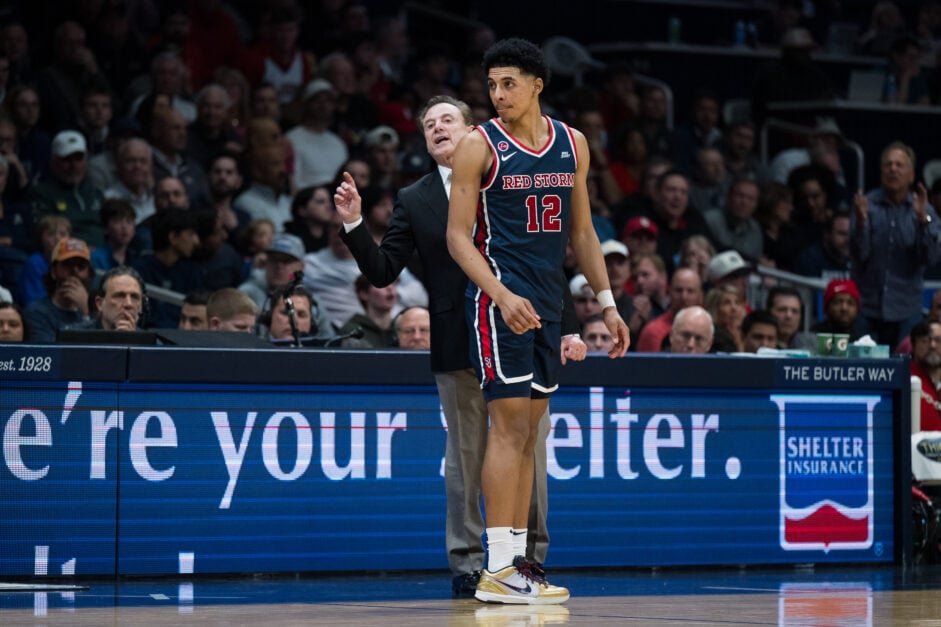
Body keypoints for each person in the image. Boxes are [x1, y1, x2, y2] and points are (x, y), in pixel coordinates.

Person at [336, 94, 587, 598]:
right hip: (458, 340)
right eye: (429, 124)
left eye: (447, 119)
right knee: (466, 459)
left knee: (528, 453)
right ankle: (471, 564)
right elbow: (383, 271)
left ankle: (527, 562)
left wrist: (570, 326)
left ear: (473, 131)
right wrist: (354, 224)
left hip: (521, 330)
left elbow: (543, 256)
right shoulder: (415, 198)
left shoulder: (511, 175)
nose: (437, 128)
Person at [446, 38, 628, 604]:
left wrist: (607, 303)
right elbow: (457, 238)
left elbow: (582, 233)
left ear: (537, 85)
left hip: (548, 305)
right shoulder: (478, 145)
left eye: (509, 84)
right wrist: (500, 295)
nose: (498, 95)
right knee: (507, 428)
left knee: (528, 432)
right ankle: (498, 567)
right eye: (492, 85)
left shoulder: (573, 143)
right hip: (500, 302)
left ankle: (518, 564)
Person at [852, 142, 941, 346]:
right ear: (881, 171)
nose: (893, 169)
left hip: (907, 309)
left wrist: (922, 221)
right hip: (867, 308)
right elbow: (859, 255)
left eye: (899, 165)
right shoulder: (865, 206)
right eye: (888, 164)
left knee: (907, 364)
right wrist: (861, 223)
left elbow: (930, 258)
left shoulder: (924, 209)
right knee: (865, 364)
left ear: (911, 174)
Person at [30, 130, 104, 248]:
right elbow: (46, 233)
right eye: (66, 159)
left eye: (78, 158)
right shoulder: (41, 194)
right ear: (53, 162)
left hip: (104, 254)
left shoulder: (96, 193)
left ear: (86, 160)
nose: (73, 165)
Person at [24, 237, 93, 342]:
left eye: (81, 266)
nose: (75, 271)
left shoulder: (98, 310)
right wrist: (86, 318)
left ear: (89, 273)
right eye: (68, 264)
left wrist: (86, 312)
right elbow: (49, 350)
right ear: (53, 271)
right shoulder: (36, 312)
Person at [635, 267, 703, 352]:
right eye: (678, 290)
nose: (684, 297)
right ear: (670, 293)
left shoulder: (709, 331)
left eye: (690, 291)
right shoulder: (652, 332)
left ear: (700, 296)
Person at [338, 274, 397, 347]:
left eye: (393, 284)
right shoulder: (352, 332)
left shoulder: (402, 328)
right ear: (363, 294)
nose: (390, 288)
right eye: (382, 285)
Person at [911, 320, 941, 431]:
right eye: (926, 340)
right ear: (913, 345)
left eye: (938, 340)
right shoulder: (904, 379)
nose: (932, 345)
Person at [704, 284, 746, 352]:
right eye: (727, 303)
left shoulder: (747, 334)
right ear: (715, 308)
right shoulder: (715, 340)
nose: (734, 308)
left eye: (737, 303)